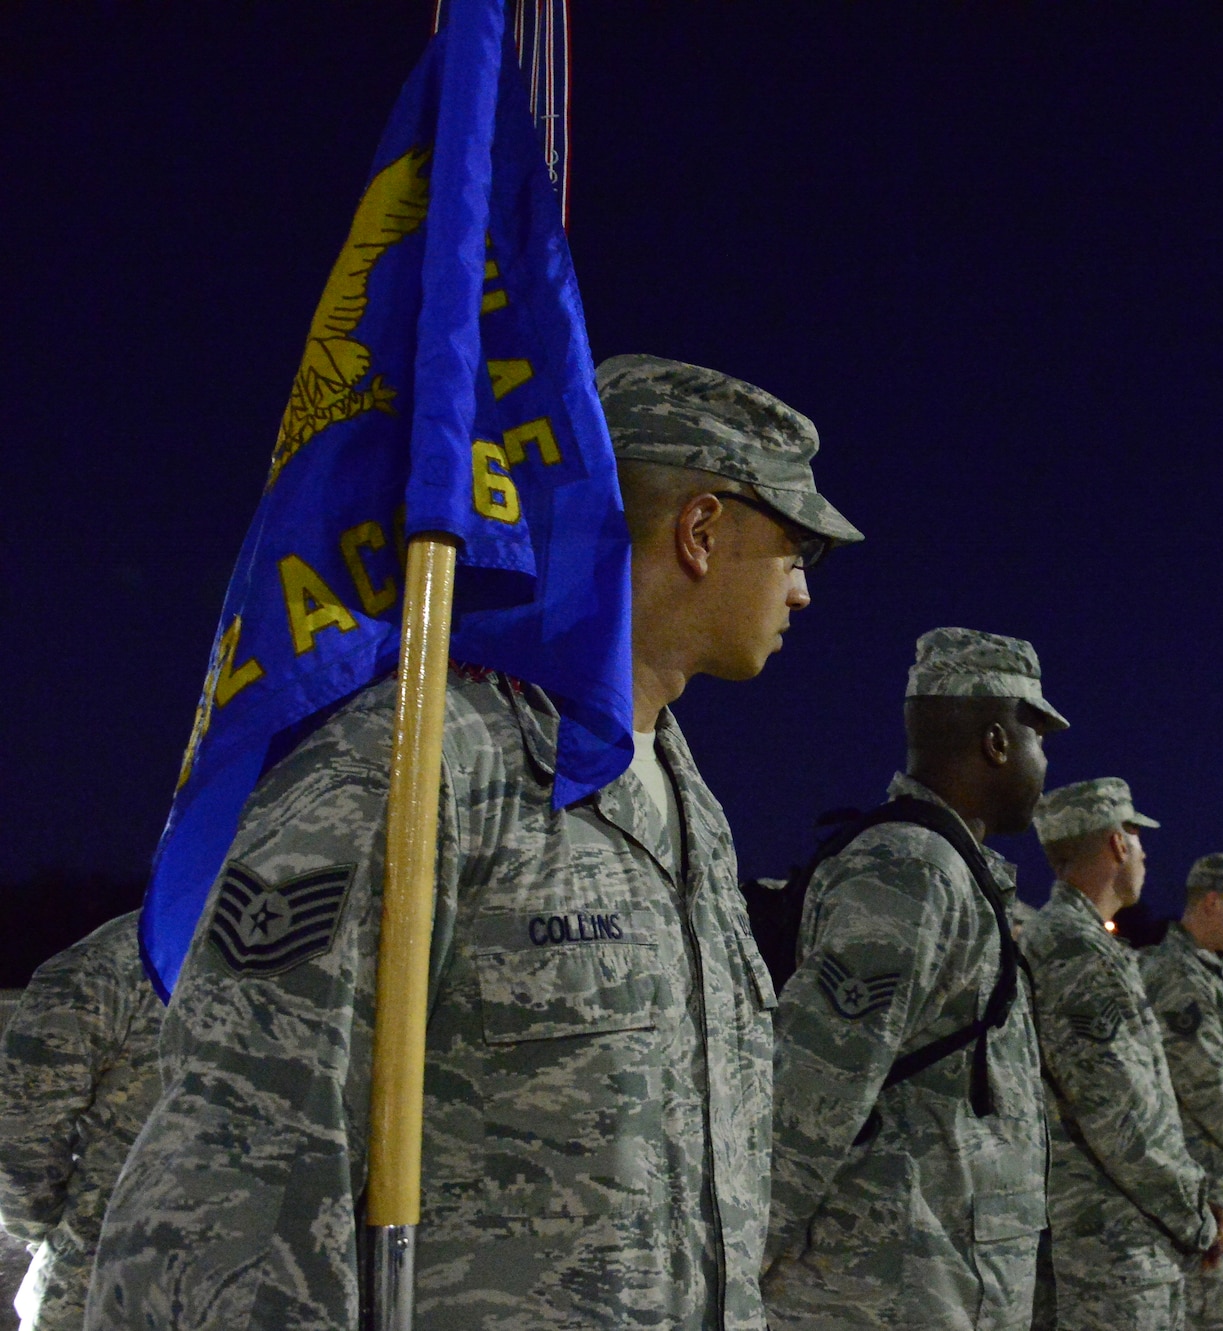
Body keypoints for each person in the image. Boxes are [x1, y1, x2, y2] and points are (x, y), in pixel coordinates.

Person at [86, 356, 862, 1331]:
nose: (800, 593)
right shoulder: (421, 769)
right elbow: (233, 1177)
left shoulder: (684, 796)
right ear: (701, 529)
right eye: (797, 549)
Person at [763, 629, 1061, 1331]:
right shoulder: (911, 869)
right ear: (996, 741)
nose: (1044, 762)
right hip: (883, 1294)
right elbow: (808, 1095)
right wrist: (739, 1270)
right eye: (1037, 738)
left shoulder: (952, 868)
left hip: (935, 1283)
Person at [1019, 779, 1223, 1329]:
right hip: (1111, 1245)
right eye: (1138, 838)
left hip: (1122, 1233)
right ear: (1117, 844)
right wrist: (1194, 1214)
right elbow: (1122, 1116)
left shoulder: (1078, 940)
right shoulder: (1074, 950)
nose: (1144, 853)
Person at [0, 914, 162, 1331]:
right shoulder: (333, 960)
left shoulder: (116, 959)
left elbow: (19, 1139)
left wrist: (60, 1236)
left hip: (104, 1286)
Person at [1139, 855, 1223, 1331]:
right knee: (1212, 1315)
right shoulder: (1177, 973)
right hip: (1203, 1181)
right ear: (1213, 901)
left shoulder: (1209, 969)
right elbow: (1203, 1083)